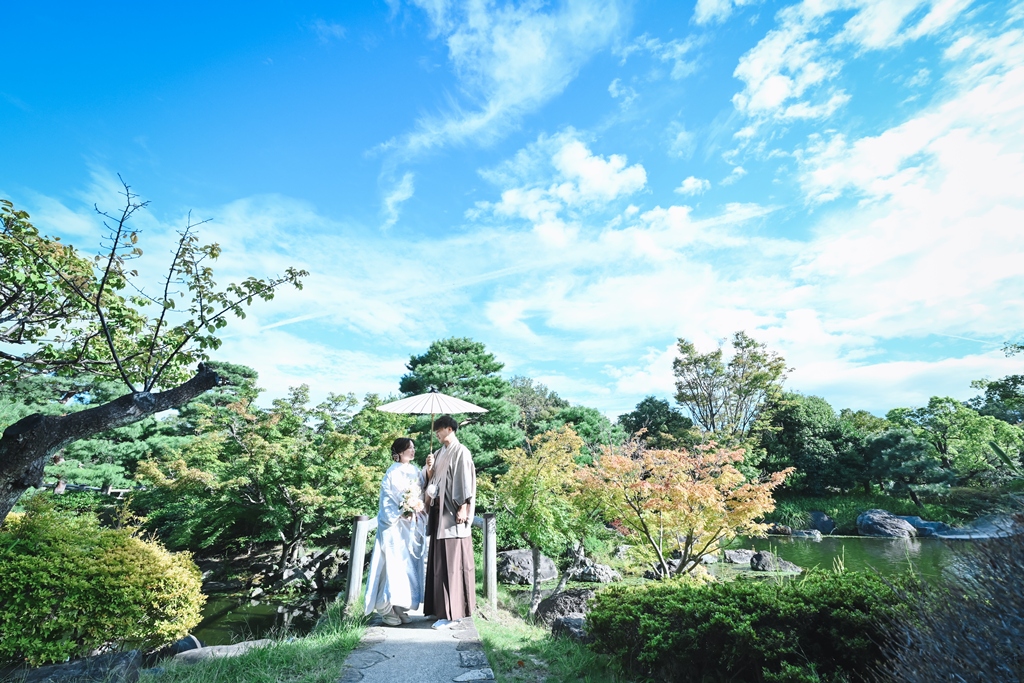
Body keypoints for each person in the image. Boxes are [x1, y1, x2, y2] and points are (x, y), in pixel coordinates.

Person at [363, 437, 429, 626]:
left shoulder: (416, 470)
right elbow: (387, 501)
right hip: (393, 527)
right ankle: (386, 607)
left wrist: (415, 506)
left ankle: (401, 606)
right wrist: (402, 510)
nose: (413, 451)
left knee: (408, 566)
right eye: (409, 448)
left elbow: (422, 491)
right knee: (393, 566)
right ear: (399, 452)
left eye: (414, 448)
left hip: (410, 527)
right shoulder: (391, 473)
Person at [423, 414, 477, 629]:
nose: (436, 433)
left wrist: (464, 506)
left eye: (439, 429)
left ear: (449, 429)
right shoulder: (438, 453)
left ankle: (452, 613)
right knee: (439, 561)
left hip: (453, 514)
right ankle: (439, 609)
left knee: (452, 563)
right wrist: (429, 468)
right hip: (438, 512)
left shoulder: (461, 451)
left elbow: (466, 480)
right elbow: (432, 480)